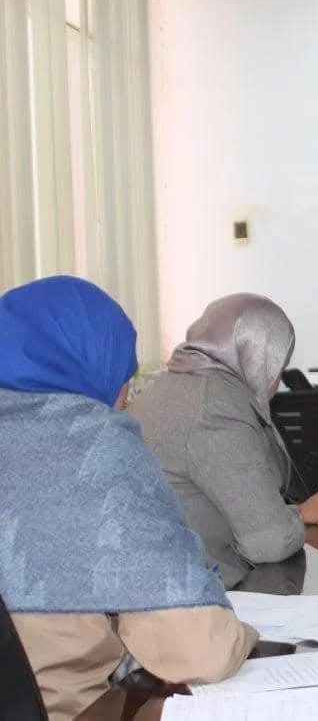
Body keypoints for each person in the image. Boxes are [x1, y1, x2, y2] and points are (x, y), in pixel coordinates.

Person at [0, 277, 256, 720]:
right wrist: (247, 635)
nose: (125, 395)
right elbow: (197, 650)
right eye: (127, 377)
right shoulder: (95, 444)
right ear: (97, 364)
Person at [130, 294, 318, 589]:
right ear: (255, 357)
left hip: (156, 584)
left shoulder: (169, 386)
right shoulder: (217, 409)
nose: (276, 381)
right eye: (276, 366)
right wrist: (296, 518)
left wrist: (300, 513)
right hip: (201, 593)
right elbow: (268, 543)